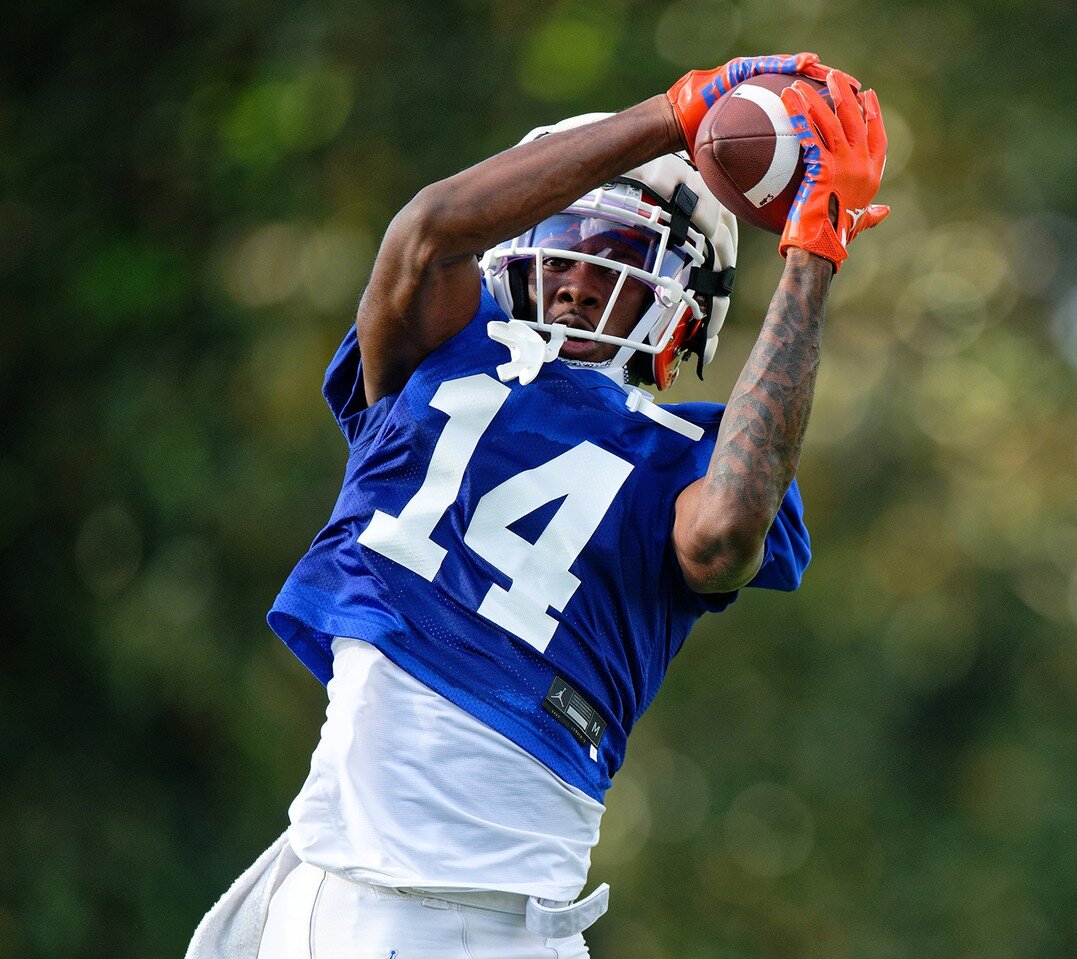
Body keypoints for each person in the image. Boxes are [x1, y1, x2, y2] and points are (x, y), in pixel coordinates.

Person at [186, 53, 888, 959]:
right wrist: (677, 113)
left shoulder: (692, 456)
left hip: (508, 915)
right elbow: (429, 231)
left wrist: (811, 258)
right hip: (386, 896)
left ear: (689, 306)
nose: (579, 272)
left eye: (622, 253)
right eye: (568, 231)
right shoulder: (441, 351)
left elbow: (721, 539)